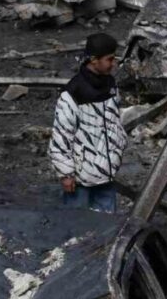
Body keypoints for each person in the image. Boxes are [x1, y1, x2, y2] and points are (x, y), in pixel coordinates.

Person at [50, 33, 127, 213]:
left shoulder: (110, 85)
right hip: (80, 178)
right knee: (76, 223)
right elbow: (61, 135)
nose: (113, 64)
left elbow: (114, 120)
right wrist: (66, 173)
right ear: (93, 60)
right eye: (109, 59)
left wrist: (119, 144)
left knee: (107, 224)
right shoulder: (73, 93)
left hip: (106, 174)